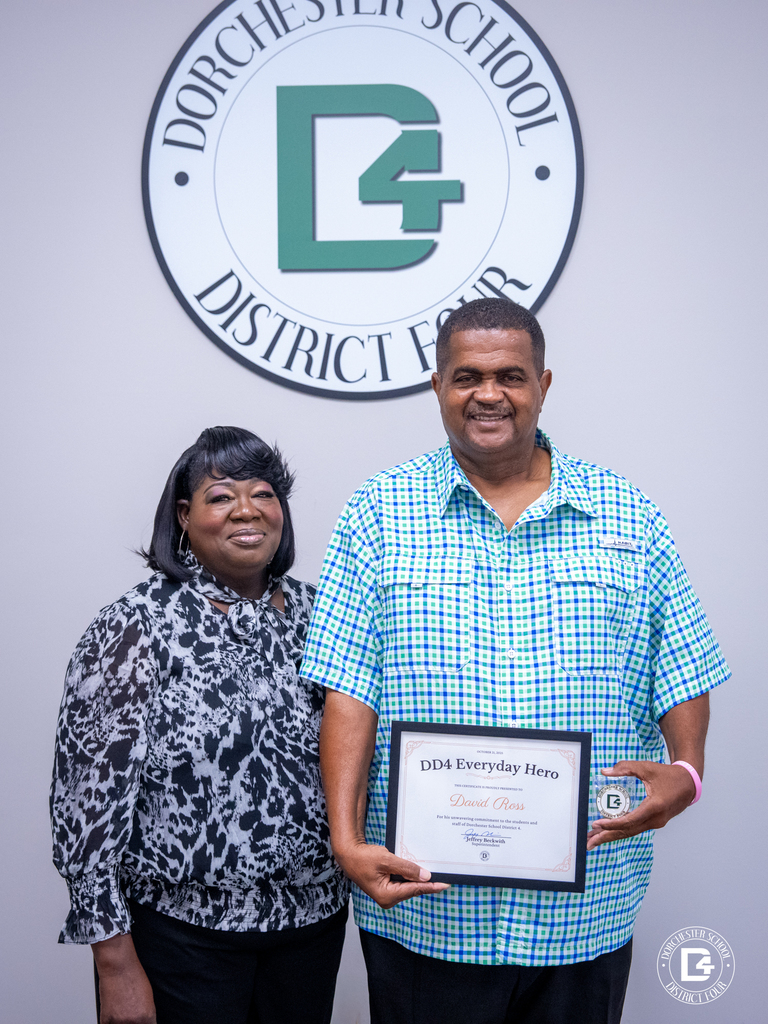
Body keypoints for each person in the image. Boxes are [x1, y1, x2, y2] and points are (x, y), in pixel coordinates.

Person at [301, 298, 729, 1024]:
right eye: (466, 375)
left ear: (544, 384)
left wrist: (686, 771)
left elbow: (681, 660)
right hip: (426, 910)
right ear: (437, 386)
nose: (488, 394)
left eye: (510, 376)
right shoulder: (377, 513)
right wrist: (346, 840)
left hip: (584, 909)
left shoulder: (629, 515)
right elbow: (349, 687)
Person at [50, 426, 348, 1024]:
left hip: (312, 928)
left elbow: (364, 750)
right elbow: (86, 806)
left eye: (264, 494)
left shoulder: (323, 615)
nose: (247, 510)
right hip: (182, 937)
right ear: (184, 516)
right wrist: (114, 960)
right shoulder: (136, 626)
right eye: (221, 496)